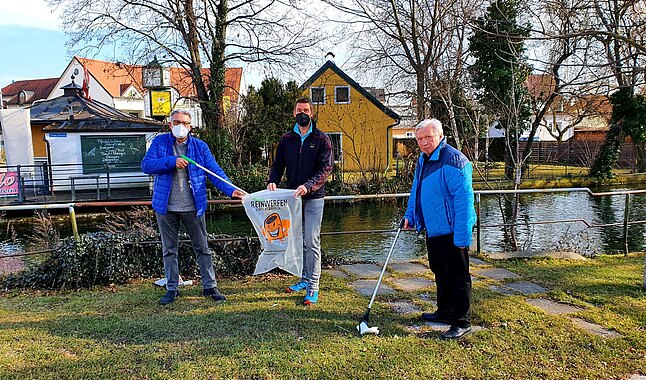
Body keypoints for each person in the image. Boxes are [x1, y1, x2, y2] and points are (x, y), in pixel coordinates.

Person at [142, 109, 245, 305]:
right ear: (170, 124)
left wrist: (231, 190)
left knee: (202, 248)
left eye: (185, 123)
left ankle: (210, 286)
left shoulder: (200, 147)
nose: (181, 126)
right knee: (169, 250)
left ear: (190, 126)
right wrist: (172, 162)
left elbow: (214, 171)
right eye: (177, 122)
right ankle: (172, 288)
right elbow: (146, 165)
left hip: (193, 207)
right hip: (166, 207)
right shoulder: (159, 143)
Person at [403, 118, 476, 340]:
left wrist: (462, 237)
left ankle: (462, 321)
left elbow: (464, 202)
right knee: (440, 271)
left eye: (428, 137)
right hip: (433, 229)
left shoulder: (455, 161)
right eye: (419, 139)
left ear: (440, 136)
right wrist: (410, 215)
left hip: (453, 231)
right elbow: (417, 189)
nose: (424, 143)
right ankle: (445, 311)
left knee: (458, 276)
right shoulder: (423, 160)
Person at [267, 97, 333, 305]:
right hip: (292, 198)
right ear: (294, 113)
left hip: (313, 197)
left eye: (306, 110)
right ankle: (304, 279)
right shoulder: (287, 139)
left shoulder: (322, 139)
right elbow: (278, 164)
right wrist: (273, 181)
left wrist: (309, 186)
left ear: (311, 113)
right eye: (298, 110)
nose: (302, 113)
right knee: (298, 240)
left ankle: (313, 286)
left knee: (312, 241)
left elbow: (326, 169)